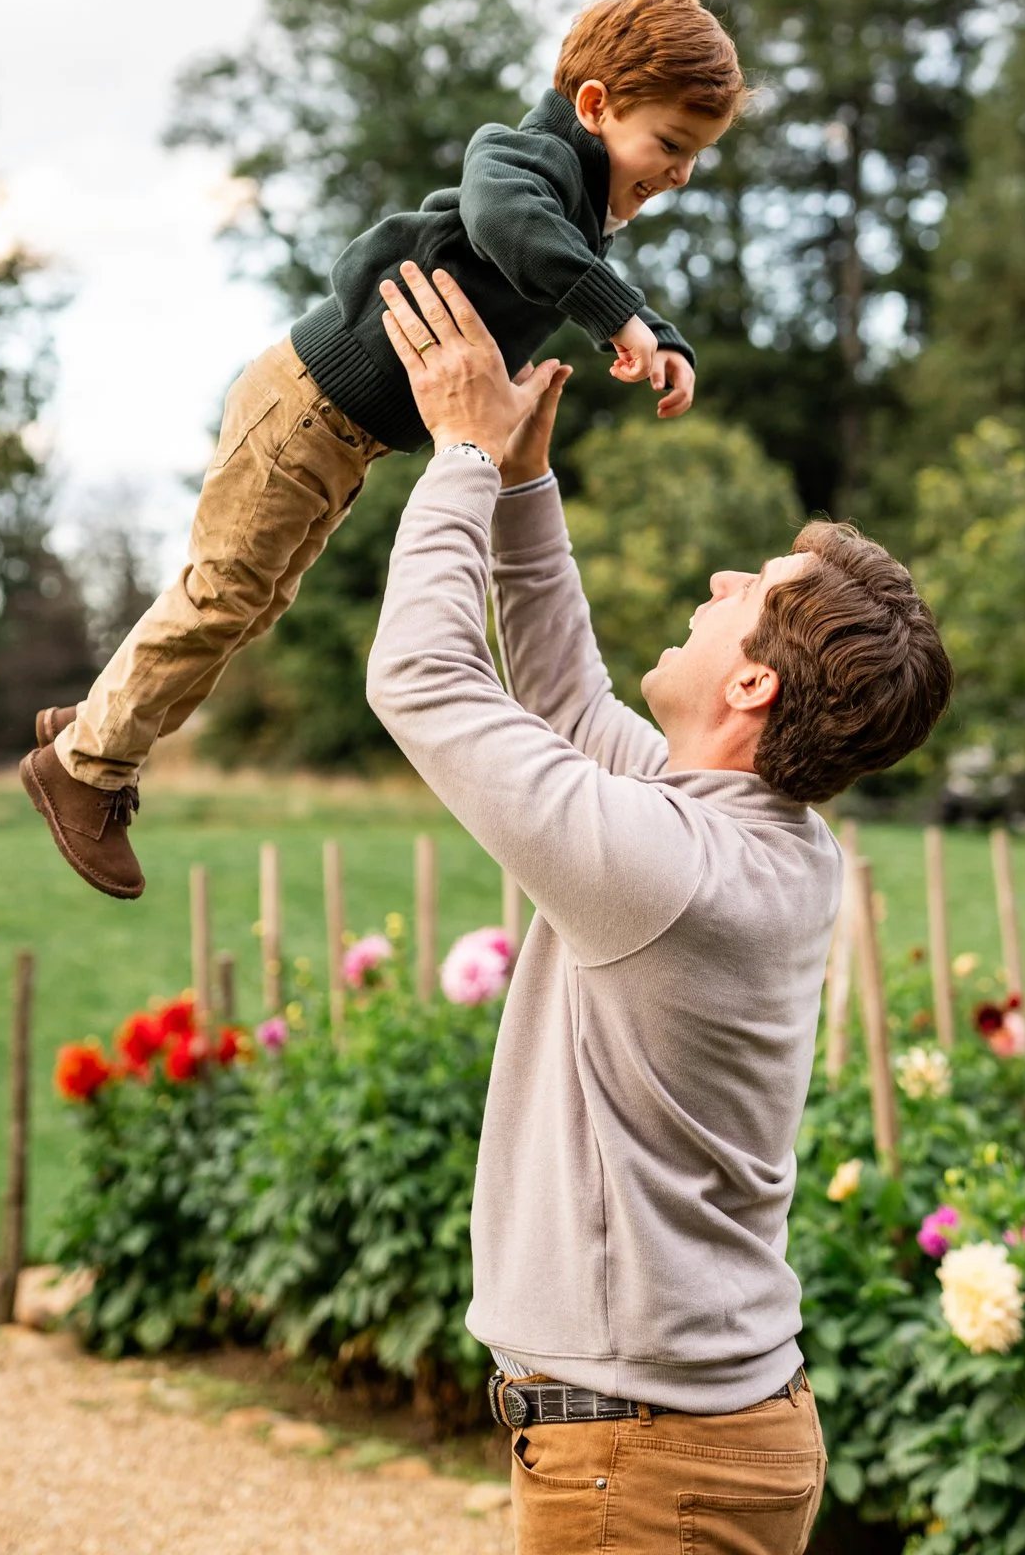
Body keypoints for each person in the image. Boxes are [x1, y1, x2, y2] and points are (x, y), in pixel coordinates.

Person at [364, 264, 954, 1554]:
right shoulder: (754, 838)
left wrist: (460, 456)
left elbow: (422, 676)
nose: (724, 573)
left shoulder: (674, 867)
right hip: (683, 1435)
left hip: (644, 1460)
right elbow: (571, 705)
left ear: (750, 685)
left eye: (752, 588)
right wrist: (524, 483)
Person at [20, 0, 745, 898]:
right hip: (302, 408)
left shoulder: (578, 217)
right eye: (670, 145)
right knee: (223, 593)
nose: (680, 174)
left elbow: (573, 266)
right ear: (595, 106)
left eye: (695, 157)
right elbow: (513, 229)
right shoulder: (519, 163)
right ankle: (86, 769)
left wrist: (658, 335)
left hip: (337, 435)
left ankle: (95, 724)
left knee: (253, 603)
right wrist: (619, 318)